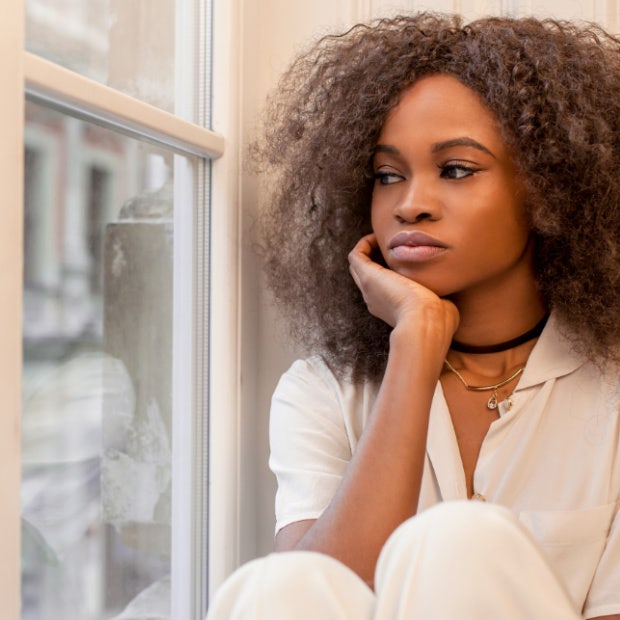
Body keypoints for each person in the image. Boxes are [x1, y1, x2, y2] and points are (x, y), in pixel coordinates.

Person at [208, 13, 620, 619]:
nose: (410, 204)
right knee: (269, 587)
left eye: (456, 169)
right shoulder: (322, 390)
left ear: (550, 190)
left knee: (459, 541)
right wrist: (416, 345)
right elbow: (310, 594)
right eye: (387, 175)